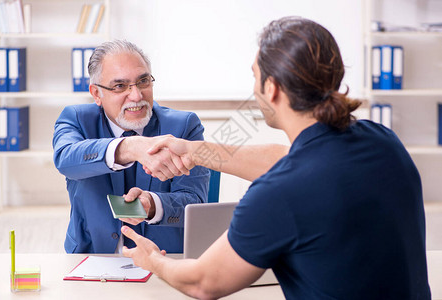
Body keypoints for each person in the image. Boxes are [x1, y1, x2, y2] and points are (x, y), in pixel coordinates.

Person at [120, 17, 432, 299]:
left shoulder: (278, 194)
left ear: (271, 88)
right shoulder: (381, 140)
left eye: (254, 76)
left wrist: (153, 261)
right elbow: (290, 159)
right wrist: (193, 151)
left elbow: (203, 282)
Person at [52, 40, 209, 254]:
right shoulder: (76, 119)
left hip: (165, 260)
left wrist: (152, 205)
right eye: (120, 86)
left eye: (143, 81)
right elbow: (65, 159)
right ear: (97, 94)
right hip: (92, 256)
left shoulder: (183, 126)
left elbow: (194, 204)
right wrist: (129, 147)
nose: (136, 96)